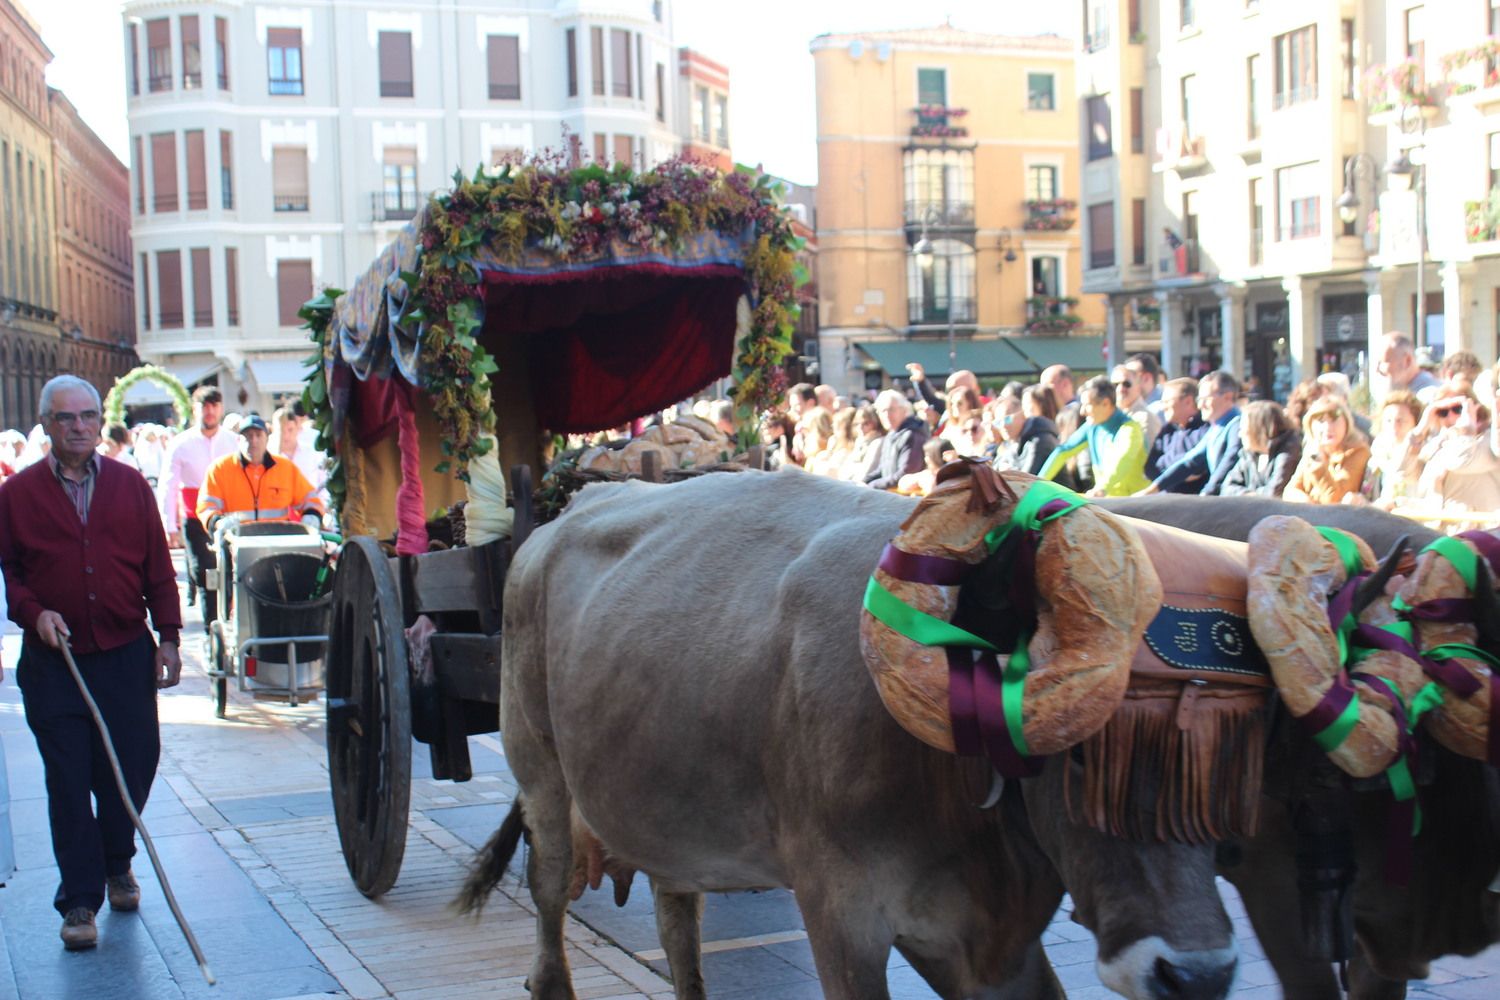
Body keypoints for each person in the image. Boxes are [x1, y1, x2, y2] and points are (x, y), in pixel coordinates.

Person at [0, 375, 182, 950]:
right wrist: (34, 614)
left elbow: (157, 565)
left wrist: (171, 636)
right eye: (66, 419)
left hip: (125, 653)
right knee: (69, 779)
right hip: (56, 664)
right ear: (46, 425)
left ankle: (117, 858)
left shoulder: (130, 485)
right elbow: (12, 574)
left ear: (100, 421)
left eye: (87, 416)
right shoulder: (16, 494)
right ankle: (79, 900)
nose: (79, 427)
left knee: (133, 765)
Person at [159, 386, 236, 623]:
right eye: (205, 406)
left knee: (233, 573)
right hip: (195, 521)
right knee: (204, 574)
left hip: (230, 518)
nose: (210, 411)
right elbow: (168, 485)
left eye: (214, 405)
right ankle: (210, 627)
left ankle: (228, 623)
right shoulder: (181, 443)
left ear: (221, 408)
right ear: (195, 410)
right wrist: (169, 525)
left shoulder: (234, 441)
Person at [197, 414, 326, 533]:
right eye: (247, 435)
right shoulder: (220, 469)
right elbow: (206, 505)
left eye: (258, 435)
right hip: (236, 542)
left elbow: (310, 499)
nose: (253, 440)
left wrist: (312, 517)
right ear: (238, 440)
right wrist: (217, 522)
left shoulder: (285, 468)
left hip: (278, 541)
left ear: (267, 439)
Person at [1038, 375, 1149, 497]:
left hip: (1133, 502)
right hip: (1108, 499)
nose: (1082, 411)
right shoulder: (1091, 426)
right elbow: (1062, 451)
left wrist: (1102, 488)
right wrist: (1037, 483)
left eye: (1087, 405)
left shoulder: (1130, 429)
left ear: (1106, 403)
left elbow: (1122, 462)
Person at [1138, 371, 1243, 497]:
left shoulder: (1238, 424)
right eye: (1199, 399)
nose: (1200, 405)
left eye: (1205, 399)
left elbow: (1230, 459)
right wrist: (1151, 490)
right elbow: (1189, 462)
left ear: (1227, 397)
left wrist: (1208, 492)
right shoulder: (1218, 427)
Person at [1283, 396, 1372, 505]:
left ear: (1347, 423)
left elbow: (1336, 499)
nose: (1328, 428)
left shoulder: (1358, 451)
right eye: (1321, 421)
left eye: (1334, 421)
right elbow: (1289, 492)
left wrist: (1318, 464)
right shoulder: (1312, 451)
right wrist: (1305, 502)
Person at [1220, 400, 1301, 498]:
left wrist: (1246, 495)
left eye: (1243, 429)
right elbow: (1226, 488)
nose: (1239, 435)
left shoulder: (1289, 450)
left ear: (1258, 429)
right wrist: (1251, 494)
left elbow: (1274, 493)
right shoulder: (1249, 454)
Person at [1363, 391, 1425, 509]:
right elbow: (1368, 495)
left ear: (1416, 423)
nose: (1394, 426)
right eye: (1388, 421)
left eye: (1401, 420)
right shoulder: (1377, 458)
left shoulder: (1424, 455)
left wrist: (1397, 503)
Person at [1145, 377, 1208, 487]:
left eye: (1167, 402)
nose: (1163, 407)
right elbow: (1150, 468)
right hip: (1164, 497)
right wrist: (1179, 469)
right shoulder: (1167, 431)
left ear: (1188, 401)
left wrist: (1166, 463)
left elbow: (1197, 467)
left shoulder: (1205, 429)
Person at [864, 389, 929, 490]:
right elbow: (883, 469)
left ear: (904, 410)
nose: (887, 415)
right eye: (883, 411)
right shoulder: (891, 435)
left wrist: (872, 485)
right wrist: (863, 482)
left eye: (891, 410)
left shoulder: (912, 435)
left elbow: (905, 474)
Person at [269, 406, 325, 492]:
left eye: (290, 430)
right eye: (281, 430)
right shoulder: (268, 456)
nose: (286, 435)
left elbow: (323, 482)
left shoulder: (311, 452)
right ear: (273, 430)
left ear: (298, 428)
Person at [1111, 364, 1162, 453]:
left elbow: (1149, 455)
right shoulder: (1111, 415)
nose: (1120, 389)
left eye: (1126, 384)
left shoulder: (1145, 418)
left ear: (1138, 387)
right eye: (1115, 385)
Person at [1377, 331, 1441, 401]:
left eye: (1383, 362)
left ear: (1407, 361)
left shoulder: (1429, 397)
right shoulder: (1407, 394)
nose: (1377, 369)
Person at [1012, 385, 1060, 475]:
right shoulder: (1029, 435)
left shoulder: (1042, 438)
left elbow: (1029, 475)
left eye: (1028, 404)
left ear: (1042, 405)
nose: (1023, 410)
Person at [840, 405, 885, 483]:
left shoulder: (878, 443)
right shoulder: (860, 441)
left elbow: (866, 473)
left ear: (876, 423)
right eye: (857, 424)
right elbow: (843, 471)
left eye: (866, 423)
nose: (860, 427)